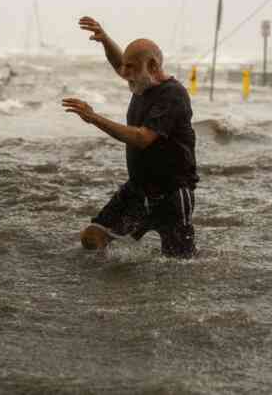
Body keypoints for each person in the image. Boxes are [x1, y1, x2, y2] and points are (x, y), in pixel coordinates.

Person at [62, 16, 199, 258]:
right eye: (125, 67)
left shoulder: (173, 95)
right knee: (92, 238)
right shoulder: (140, 83)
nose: (124, 73)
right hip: (138, 189)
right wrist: (105, 40)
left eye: (131, 68)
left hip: (173, 194)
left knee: (179, 265)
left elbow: (142, 138)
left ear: (154, 66)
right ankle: (112, 288)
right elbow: (121, 64)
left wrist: (94, 118)